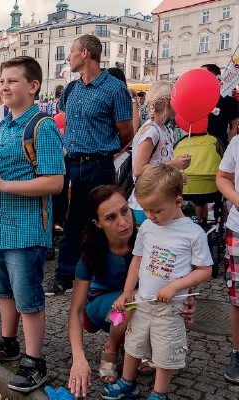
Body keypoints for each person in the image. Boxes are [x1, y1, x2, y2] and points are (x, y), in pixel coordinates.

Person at [0, 56, 65, 393]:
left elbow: (55, 182)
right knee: (4, 291)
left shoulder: (42, 126)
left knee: (29, 299)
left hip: (25, 231)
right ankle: (9, 343)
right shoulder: (2, 126)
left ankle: (35, 361)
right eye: (2, 81)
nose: (3, 86)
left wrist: (1, 184)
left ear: (33, 86)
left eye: (12, 81)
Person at [67, 185, 196, 398]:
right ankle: (111, 347)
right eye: (110, 218)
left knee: (155, 299)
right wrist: (79, 358)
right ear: (97, 223)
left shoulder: (149, 235)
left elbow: (175, 269)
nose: (123, 221)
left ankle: (137, 349)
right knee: (133, 299)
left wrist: (187, 298)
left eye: (125, 211)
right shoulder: (92, 251)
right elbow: (76, 309)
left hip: (142, 301)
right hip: (102, 307)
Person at [107, 164, 212, 400]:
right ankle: (127, 382)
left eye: (156, 210)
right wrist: (126, 292)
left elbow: (205, 270)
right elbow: (137, 260)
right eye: (145, 210)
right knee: (133, 342)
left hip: (170, 307)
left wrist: (175, 286)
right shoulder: (146, 227)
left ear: (177, 201)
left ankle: (159, 393)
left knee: (166, 351)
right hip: (143, 300)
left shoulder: (192, 233)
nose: (150, 216)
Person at [48, 34, 135, 296]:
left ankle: (106, 276)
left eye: (72, 52)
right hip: (72, 164)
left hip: (99, 165)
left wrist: (104, 152)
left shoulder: (114, 89)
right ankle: (64, 277)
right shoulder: (71, 90)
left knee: (104, 219)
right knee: (72, 220)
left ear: (85, 53)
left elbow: (126, 133)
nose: (68, 57)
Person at [128, 81, 191, 225]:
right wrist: (173, 165)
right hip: (147, 204)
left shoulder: (165, 129)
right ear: (168, 102)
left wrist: (176, 174)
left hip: (160, 199)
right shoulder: (151, 131)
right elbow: (139, 169)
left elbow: (159, 160)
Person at [215, 135, 239, 384]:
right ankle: (238, 353)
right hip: (238, 228)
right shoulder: (237, 143)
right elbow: (222, 177)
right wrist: (236, 199)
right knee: (238, 296)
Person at [202, 64, 239, 147]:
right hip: (200, 148)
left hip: (219, 147)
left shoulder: (229, 101)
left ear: (216, 77)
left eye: (203, 74)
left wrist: (227, 145)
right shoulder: (197, 98)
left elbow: (234, 126)